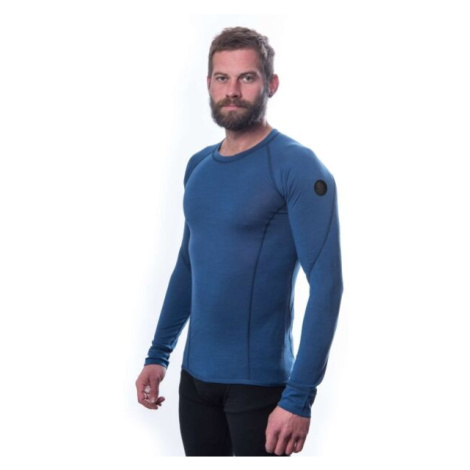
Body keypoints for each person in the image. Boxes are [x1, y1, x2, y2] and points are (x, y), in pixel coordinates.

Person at [135, 26, 343, 457]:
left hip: (261, 389)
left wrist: (299, 398)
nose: (232, 91)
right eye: (222, 78)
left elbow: (327, 286)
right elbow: (188, 266)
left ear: (271, 84)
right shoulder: (198, 166)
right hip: (195, 384)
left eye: (247, 78)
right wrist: (158, 354)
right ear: (208, 84)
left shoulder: (298, 167)